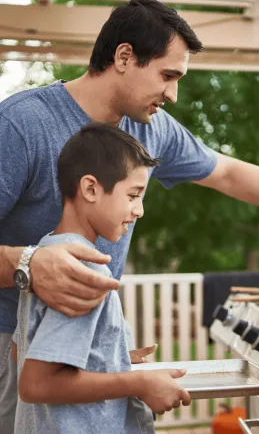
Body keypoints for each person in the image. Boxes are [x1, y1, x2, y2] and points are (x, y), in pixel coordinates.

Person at [0, 0, 259, 432]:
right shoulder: (21, 126)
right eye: (167, 75)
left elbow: (228, 173)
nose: (173, 93)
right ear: (124, 57)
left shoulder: (148, 129)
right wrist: (27, 264)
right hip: (12, 344)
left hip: (80, 348)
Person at [13, 123, 190, 433]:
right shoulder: (83, 268)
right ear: (91, 188)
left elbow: (22, 350)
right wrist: (138, 381)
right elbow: (36, 383)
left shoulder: (47, 253)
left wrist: (111, 357)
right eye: (133, 195)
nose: (140, 211)